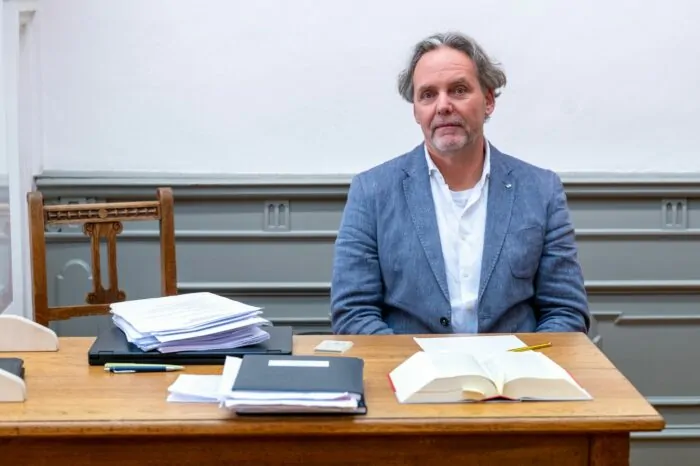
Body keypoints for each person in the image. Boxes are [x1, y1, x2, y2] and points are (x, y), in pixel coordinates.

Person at [330, 31, 590, 335]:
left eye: (459, 90)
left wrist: (521, 361)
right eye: (428, 95)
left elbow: (565, 311)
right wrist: (416, 363)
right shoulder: (371, 191)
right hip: (406, 364)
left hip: (514, 364)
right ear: (416, 111)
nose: (443, 106)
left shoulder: (542, 190)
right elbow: (353, 313)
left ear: (488, 101)